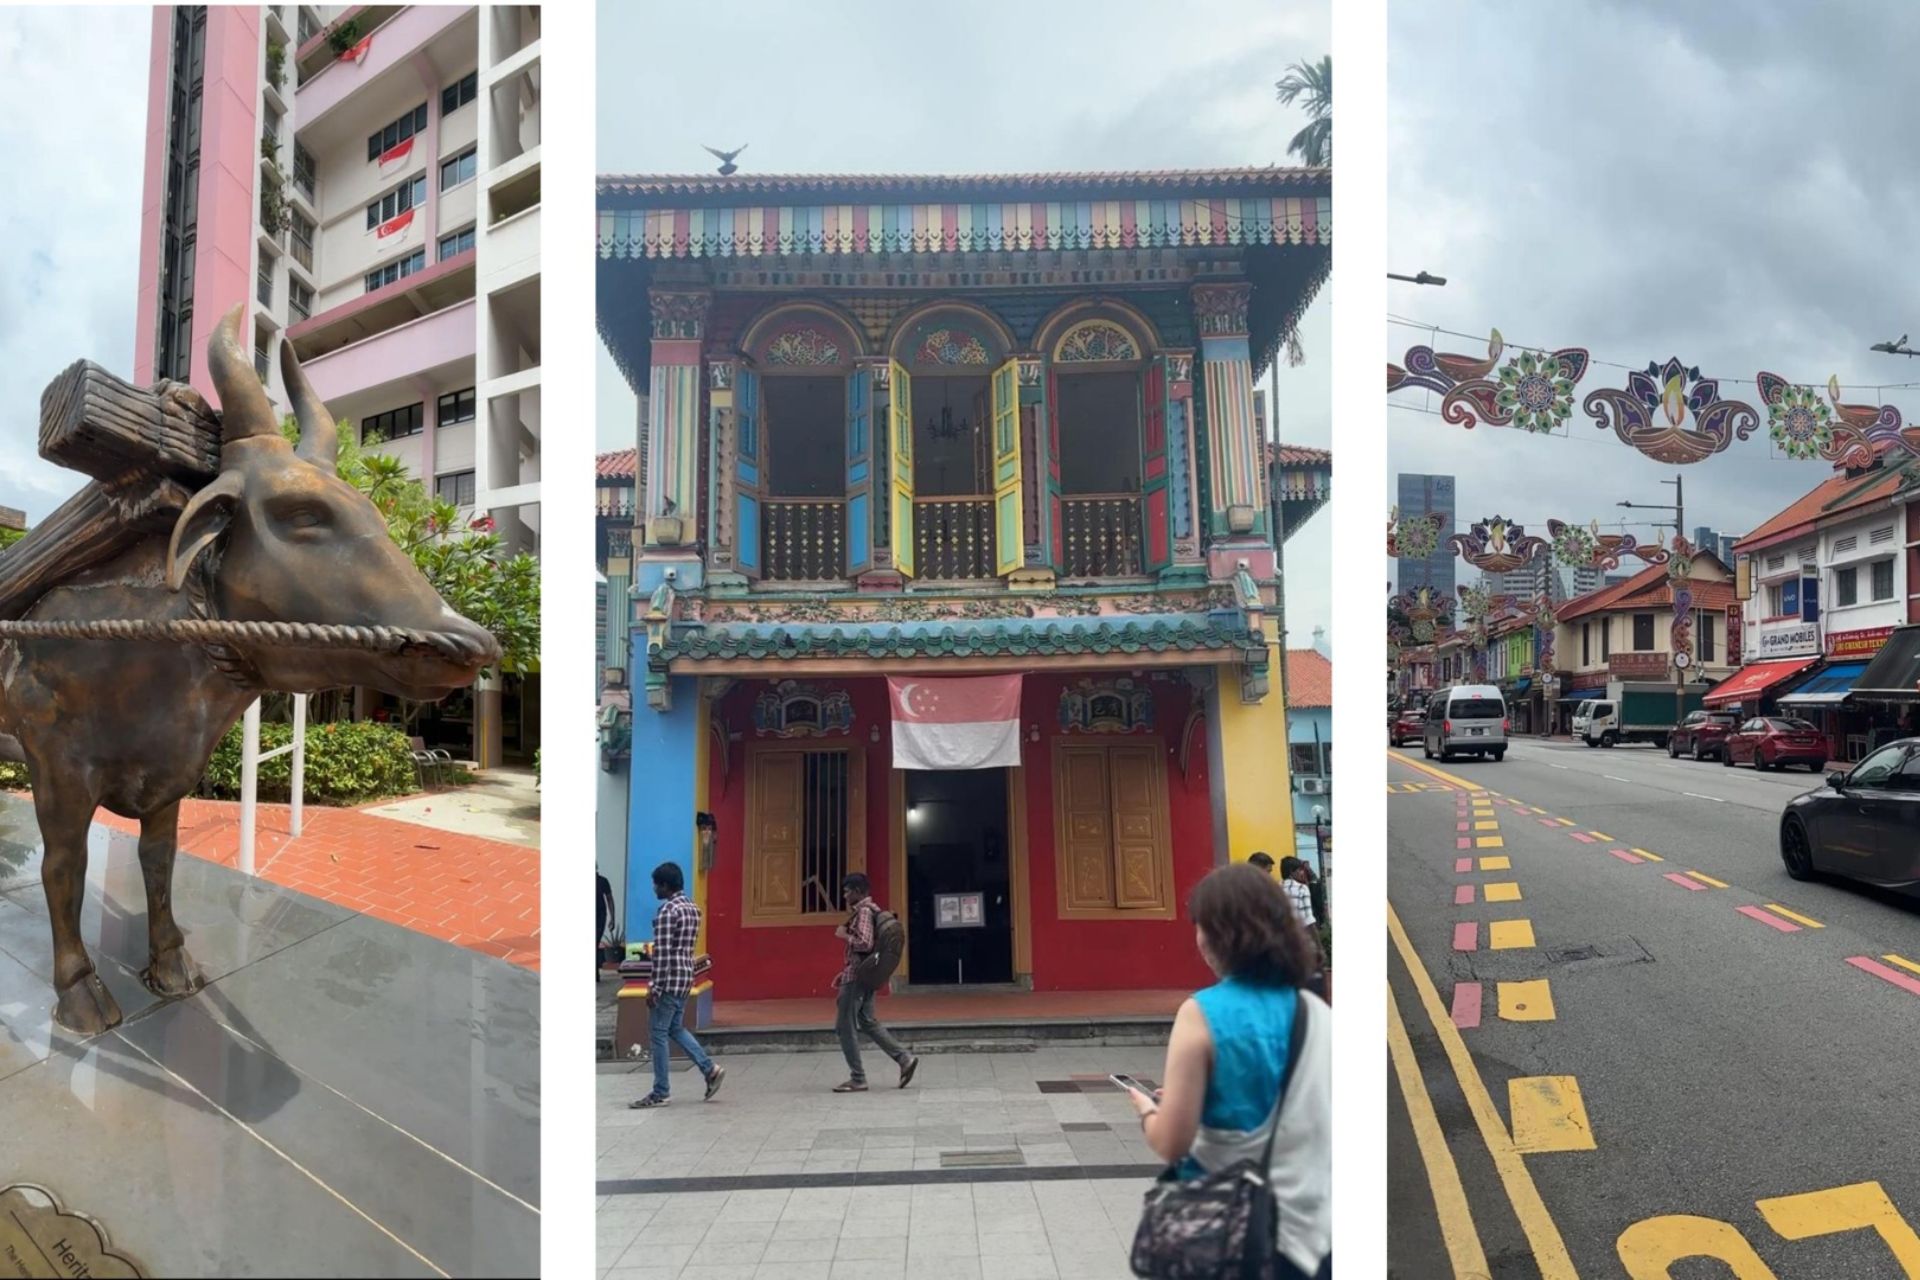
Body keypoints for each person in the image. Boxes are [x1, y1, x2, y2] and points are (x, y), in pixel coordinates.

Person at [1126, 863, 1331, 1279]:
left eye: (1201, 926)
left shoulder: (1201, 1013)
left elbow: (1171, 1142)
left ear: (1224, 934)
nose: (1197, 939)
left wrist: (1147, 1110)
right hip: (1319, 1238)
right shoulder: (1318, 1012)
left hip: (1236, 1237)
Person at [629, 862, 724, 1109]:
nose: (653, 889)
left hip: (668, 978)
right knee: (675, 1028)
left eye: (655, 884)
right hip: (686, 976)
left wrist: (654, 987)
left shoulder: (668, 912)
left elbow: (662, 954)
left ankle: (661, 1091)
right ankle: (709, 1068)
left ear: (665, 885)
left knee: (658, 1034)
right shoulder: (693, 909)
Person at [831, 872, 918, 1093]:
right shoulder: (873, 911)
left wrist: (844, 935)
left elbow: (864, 943)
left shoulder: (862, 913)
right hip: (865, 976)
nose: (845, 895)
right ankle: (904, 1058)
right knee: (867, 1021)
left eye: (847, 890)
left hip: (857, 979)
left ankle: (858, 1078)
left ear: (858, 891)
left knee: (844, 1026)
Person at [1278, 856, 1317, 931]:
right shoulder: (1301, 888)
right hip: (1298, 935)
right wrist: (1318, 942)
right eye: (1300, 870)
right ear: (1291, 871)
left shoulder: (1274, 888)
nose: (1302, 873)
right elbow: (1309, 920)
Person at [596, 871, 616, 981]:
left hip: (599, 916)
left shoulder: (602, 881)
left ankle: (595, 974)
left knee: (595, 942)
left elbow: (609, 898)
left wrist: (612, 918)